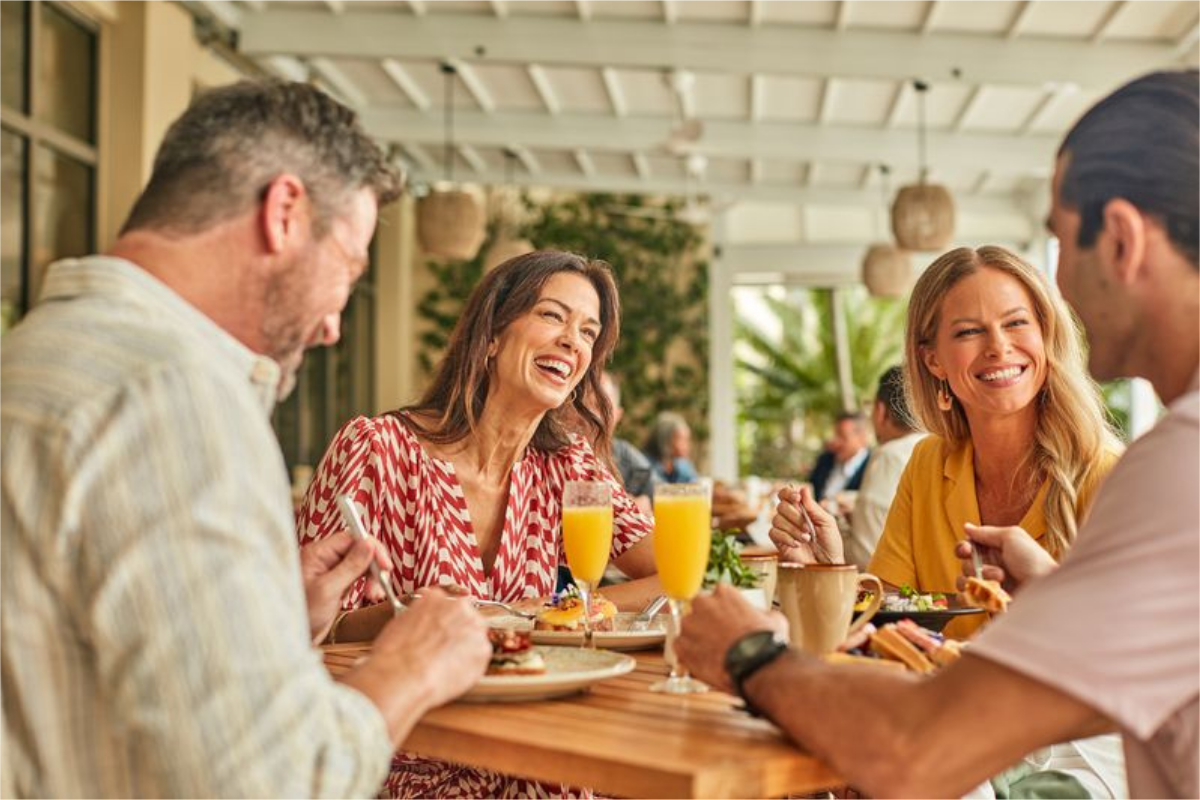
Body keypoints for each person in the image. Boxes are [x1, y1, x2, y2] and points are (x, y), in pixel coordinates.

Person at [675, 69, 1198, 798]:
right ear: (932, 359)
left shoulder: (1172, 472)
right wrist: (1049, 596)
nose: (1060, 299)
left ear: (1119, 239)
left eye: (1058, 249)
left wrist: (747, 652)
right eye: (970, 331)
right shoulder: (1166, 464)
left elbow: (914, 752)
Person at [0, 80, 491, 798]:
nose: (334, 326)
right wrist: (409, 668)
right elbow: (274, 782)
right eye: (349, 269)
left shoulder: (35, 356)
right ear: (284, 212)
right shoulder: (173, 399)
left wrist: (270, 613)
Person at [297, 249, 662, 799]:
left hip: (532, 747)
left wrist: (549, 615)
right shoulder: (377, 449)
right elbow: (306, 630)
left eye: (588, 332)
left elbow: (678, 577)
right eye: (552, 316)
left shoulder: (569, 467)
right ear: (491, 333)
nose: (573, 341)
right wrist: (412, 618)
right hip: (404, 752)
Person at [774, 244, 1122, 642]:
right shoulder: (927, 462)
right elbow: (889, 618)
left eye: (1016, 323)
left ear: (1046, 334)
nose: (998, 346)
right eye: (969, 331)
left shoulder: (1110, 477)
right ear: (933, 360)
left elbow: (1126, 656)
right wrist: (827, 571)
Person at [845, 366, 924, 570]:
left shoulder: (889, 455)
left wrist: (834, 530)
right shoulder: (941, 448)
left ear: (880, 411)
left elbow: (868, 555)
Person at [598, 370, 656, 513]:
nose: (592, 414)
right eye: (582, 405)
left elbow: (664, 497)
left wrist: (646, 503)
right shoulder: (551, 461)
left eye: (603, 407)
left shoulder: (629, 459)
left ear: (618, 415)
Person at [807, 412, 871, 503]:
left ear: (862, 438)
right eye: (835, 435)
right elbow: (811, 487)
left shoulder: (873, 465)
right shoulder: (826, 459)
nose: (835, 441)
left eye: (842, 436)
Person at [643, 411, 699, 483]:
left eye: (688, 440)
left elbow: (696, 485)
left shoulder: (684, 465)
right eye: (682, 440)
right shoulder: (644, 465)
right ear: (666, 440)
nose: (688, 446)